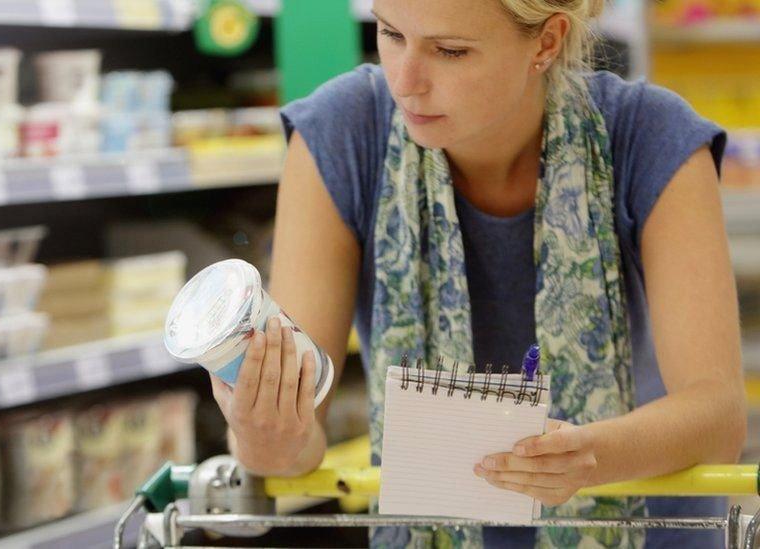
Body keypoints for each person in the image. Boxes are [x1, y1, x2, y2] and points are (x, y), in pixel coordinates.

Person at [207, 0, 748, 546]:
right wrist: (261, 435)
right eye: (391, 33)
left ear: (546, 41)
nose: (407, 82)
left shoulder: (650, 135)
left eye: (450, 50)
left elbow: (718, 418)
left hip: (648, 527)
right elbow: (298, 442)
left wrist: (589, 456)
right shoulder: (340, 133)